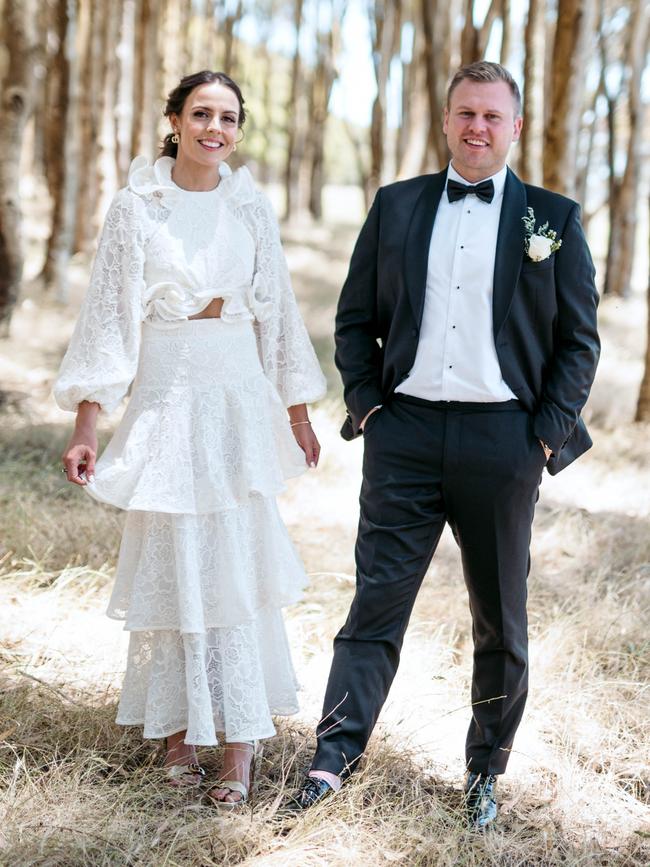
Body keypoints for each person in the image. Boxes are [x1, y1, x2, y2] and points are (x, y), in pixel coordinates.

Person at [290, 61, 600, 828]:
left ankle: (484, 772)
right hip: (405, 434)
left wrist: (542, 437)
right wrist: (367, 408)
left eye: (493, 117)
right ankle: (332, 760)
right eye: (466, 113)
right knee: (374, 607)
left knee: (501, 617)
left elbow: (579, 343)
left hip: (505, 441)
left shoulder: (553, 218)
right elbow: (353, 317)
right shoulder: (396, 206)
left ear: (515, 127)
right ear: (446, 119)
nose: (478, 128)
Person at [54, 70, 326, 807]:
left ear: (239, 129)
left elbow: (278, 312)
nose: (215, 127)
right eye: (201, 113)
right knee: (176, 568)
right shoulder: (135, 208)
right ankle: (181, 735)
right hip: (168, 395)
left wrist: (297, 412)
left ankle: (237, 745)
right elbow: (109, 320)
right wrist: (88, 422)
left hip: (236, 398)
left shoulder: (250, 206)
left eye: (229, 117)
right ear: (173, 119)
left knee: (236, 567)